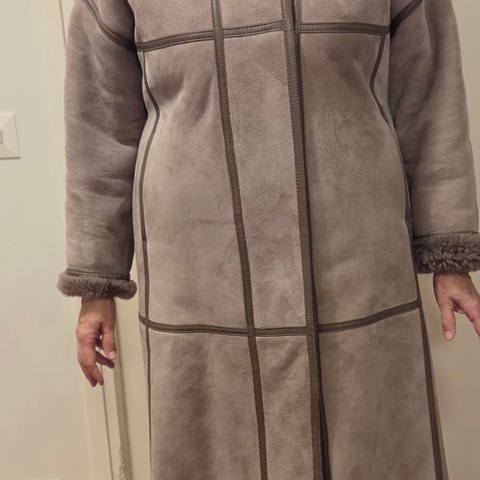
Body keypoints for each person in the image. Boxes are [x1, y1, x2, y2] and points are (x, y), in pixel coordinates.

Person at [57, 0, 480, 478]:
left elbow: (430, 97)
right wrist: (96, 283)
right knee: (214, 451)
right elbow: (101, 126)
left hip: (355, 266)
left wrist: (449, 255)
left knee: (373, 446)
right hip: (199, 272)